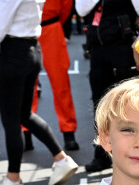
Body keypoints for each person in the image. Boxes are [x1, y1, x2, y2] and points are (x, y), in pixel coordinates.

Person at [0, 0, 78, 185]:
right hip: (32, 48)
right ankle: (61, 159)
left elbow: (0, 25)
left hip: (12, 51)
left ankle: (13, 178)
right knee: (24, 114)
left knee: (11, 119)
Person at [76, 0, 139, 173]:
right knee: (99, 103)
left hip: (123, 48)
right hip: (98, 50)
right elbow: (81, 10)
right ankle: (101, 154)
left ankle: (134, 152)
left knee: (129, 104)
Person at [39, 0, 79, 151]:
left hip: (50, 29)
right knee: (25, 86)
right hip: (26, 31)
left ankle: (68, 131)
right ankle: (25, 131)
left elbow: (66, 4)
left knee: (61, 83)